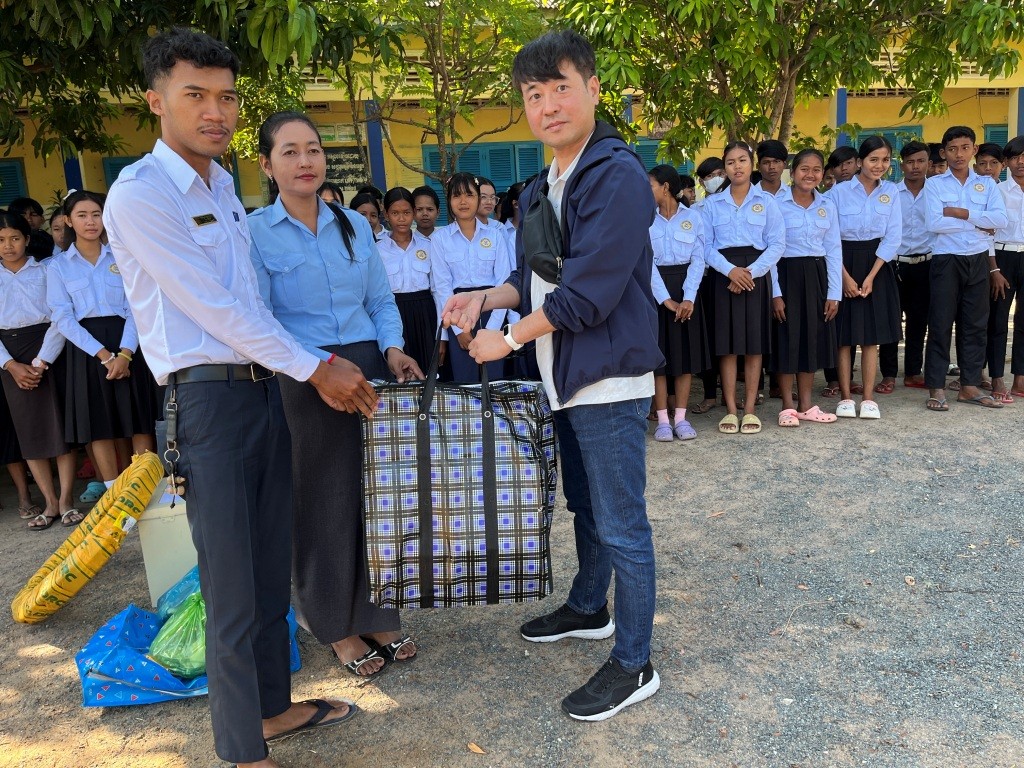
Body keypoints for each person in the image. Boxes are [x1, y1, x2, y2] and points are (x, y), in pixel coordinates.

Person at [103, 28, 374, 768]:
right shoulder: (140, 194)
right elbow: (214, 307)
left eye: (225, 97)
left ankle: (272, 709)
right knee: (229, 584)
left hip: (262, 393)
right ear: (156, 101)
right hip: (207, 406)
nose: (214, 112)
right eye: (195, 95)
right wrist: (317, 367)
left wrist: (307, 365)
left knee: (266, 570)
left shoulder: (222, 185)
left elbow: (251, 302)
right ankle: (241, 750)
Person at [442, 29, 662, 721]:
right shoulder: (545, 183)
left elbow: (587, 296)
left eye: (561, 88)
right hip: (562, 376)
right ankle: (589, 606)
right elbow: (531, 277)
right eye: (534, 94)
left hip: (606, 379)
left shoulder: (616, 175)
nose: (548, 106)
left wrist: (506, 339)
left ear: (593, 89)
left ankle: (634, 662)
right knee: (585, 507)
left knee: (623, 524)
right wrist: (485, 298)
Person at [249, 111, 422, 681]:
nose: (306, 161)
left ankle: (377, 613)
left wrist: (393, 350)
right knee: (320, 498)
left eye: (314, 149)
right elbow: (260, 320)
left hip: (367, 368)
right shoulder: (254, 232)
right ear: (267, 164)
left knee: (375, 497)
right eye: (290, 151)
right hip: (303, 377)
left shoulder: (353, 224)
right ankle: (333, 624)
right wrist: (318, 368)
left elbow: (379, 301)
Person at [46, 190, 159, 484]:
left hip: (128, 343)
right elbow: (63, 318)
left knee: (139, 419)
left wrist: (125, 353)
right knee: (99, 425)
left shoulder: (124, 257)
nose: (90, 222)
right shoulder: (58, 266)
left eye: (96, 214)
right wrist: (105, 356)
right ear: (68, 221)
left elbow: (138, 306)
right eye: (82, 215)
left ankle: (146, 487)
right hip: (87, 349)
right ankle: (113, 492)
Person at [0, 211, 77, 529]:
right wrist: (10, 365)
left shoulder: (48, 270)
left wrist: (42, 360)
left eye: (15, 238)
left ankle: (67, 500)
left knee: (60, 425)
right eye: (1, 240)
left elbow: (61, 317)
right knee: (28, 430)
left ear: (27, 239)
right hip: (10, 358)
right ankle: (49, 502)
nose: (8, 246)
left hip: (49, 349)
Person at [922, 125, 1008, 411]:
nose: (959, 154)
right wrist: (979, 222)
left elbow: (1000, 220)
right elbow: (934, 223)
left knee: (975, 324)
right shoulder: (934, 184)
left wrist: (960, 213)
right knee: (940, 323)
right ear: (943, 153)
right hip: (946, 259)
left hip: (978, 259)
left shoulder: (987, 184)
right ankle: (936, 386)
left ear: (974, 149)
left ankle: (969, 386)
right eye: (952, 149)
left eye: (965, 147)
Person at [702, 141, 785, 435]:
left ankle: (749, 409)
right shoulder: (711, 205)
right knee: (727, 347)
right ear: (724, 168)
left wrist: (749, 273)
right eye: (730, 162)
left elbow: (777, 244)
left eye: (742, 161)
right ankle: (730, 409)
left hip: (755, 276)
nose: (737, 167)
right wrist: (731, 271)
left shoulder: (768, 202)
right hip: (723, 275)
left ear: (752, 164)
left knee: (753, 345)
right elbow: (705, 246)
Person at [826, 135, 902, 419]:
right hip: (842, 262)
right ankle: (846, 397)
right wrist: (844, 277)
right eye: (873, 159)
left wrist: (871, 276)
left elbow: (893, 236)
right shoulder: (837, 193)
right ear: (860, 162)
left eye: (885, 160)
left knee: (872, 336)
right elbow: (829, 238)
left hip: (877, 265)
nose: (879, 165)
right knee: (843, 336)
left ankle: (869, 399)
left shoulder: (891, 192)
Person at [771, 149, 840, 427]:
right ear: (793, 171)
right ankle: (787, 406)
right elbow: (770, 250)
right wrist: (775, 292)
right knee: (787, 337)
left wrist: (834, 293)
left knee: (812, 337)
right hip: (785, 274)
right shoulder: (776, 204)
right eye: (804, 169)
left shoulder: (827, 205)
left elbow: (833, 249)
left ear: (823, 174)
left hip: (816, 275)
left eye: (816, 169)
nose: (810, 174)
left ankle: (807, 405)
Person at [431, 172, 513, 382]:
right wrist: (458, 330)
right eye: (456, 195)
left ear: (478, 198)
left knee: (493, 381)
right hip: (457, 314)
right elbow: (442, 287)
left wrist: (492, 329)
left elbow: (504, 283)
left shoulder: (496, 235)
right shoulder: (440, 238)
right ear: (449, 201)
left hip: (492, 310)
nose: (463, 201)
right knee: (466, 382)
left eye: (469, 195)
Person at [647, 164, 708, 441]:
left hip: (687, 292)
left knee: (684, 357)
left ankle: (681, 419)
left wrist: (688, 298)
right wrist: (666, 300)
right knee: (659, 359)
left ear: (666, 187)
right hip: (657, 293)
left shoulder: (693, 218)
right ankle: (662, 420)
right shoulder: (646, 220)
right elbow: (646, 263)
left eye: (650, 185)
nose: (647, 191)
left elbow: (698, 258)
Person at [878, 141, 933, 392]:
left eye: (921, 161)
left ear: (928, 163)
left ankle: (912, 371)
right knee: (890, 320)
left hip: (925, 263)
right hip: (894, 264)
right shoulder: (889, 192)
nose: (915, 166)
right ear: (902, 165)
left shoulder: (936, 192)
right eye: (910, 162)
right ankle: (888, 374)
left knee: (918, 321)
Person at [377, 186, 444, 372]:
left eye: (406, 212)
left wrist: (442, 334)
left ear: (413, 213)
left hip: (426, 315)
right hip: (393, 314)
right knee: (400, 372)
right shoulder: (378, 250)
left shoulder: (429, 246)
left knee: (429, 370)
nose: (401, 218)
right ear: (386, 214)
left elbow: (437, 290)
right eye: (395, 213)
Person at [987, 135, 1024, 402]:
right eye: (1015, 157)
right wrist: (993, 269)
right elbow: (987, 234)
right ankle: (997, 377)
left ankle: (1020, 377)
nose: (1021, 162)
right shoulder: (997, 192)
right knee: (998, 320)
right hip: (1002, 258)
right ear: (1006, 162)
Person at [691, 156, 727, 415]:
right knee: (709, 338)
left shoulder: (735, 205)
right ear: (702, 182)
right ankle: (710, 395)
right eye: (708, 176)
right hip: (704, 279)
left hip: (730, 276)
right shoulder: (695, 211)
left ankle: (733, 395)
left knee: (731, 337)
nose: (715, 179)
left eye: (719, 173)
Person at [9, 197, 56, 262]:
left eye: (34, 215)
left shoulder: (54, 241)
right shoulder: (5, 244)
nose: (28, 219)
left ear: (42, 219)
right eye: (22, 215)